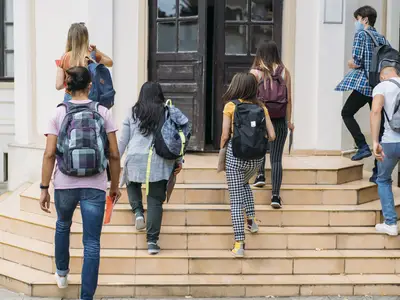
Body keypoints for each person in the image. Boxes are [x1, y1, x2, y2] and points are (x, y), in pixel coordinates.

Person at [40, 66, 121, 300]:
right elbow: (114, 154)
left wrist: (44, 188)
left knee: (63, 225)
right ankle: (86, 297)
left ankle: (62, 274)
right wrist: (113, 186)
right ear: (90, 86)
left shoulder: (58, 113)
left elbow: (48, 154)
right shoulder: (103, 112)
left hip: (64, 183)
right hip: (94, 184)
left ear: (67, 86)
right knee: (92, 243)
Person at [118, 82, 182, 255]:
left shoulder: (133, 112)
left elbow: (123, 141)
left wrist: (114, 161)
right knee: (155, 199)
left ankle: (138, 212)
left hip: (135, 156)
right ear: (160, 94)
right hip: (159, 160)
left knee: (132, 182)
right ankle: (152, 242)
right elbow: (177, 138)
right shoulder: (168, 111)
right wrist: (179, 160)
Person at [220, 73, 276, 257]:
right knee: (245, 184)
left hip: (236, 157)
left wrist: (223, 150)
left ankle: (239, 243)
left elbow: (225, 135)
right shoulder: (261, 107)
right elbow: (273, 135)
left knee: (235, 200)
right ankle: (251, 220)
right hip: (256, 159)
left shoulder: (230, 106)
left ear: (236, 87)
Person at [336, 5, 386, 183]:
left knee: (346, 112)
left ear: (364, 19)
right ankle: (377, 171)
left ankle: (362, 145)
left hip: (364, 84)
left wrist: (352, 63)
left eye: (357, 19)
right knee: (379, 127)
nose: (356, 23)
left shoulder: (361, 34)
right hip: (379, 86)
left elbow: (357, 60)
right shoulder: (381, 37)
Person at [250, 41, 294, 209]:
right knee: (276, 159)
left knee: (260, 147)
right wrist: (289, 121)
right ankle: (275, 196)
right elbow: (289, 100)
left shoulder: (255, 72)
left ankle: (260, 175)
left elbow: (250, 97)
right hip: (279, 119)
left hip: (260, 118)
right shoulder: (285, 73)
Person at [370, 64, 400, 236]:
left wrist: (375, 141)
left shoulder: (382, 86)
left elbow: (375, 111)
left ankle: (390, 223)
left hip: (390, 141)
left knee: (383, 180)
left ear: (383, 76)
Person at [56, 22, 113, 102]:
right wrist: (97, 51)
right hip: (89, 99)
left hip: (70, 99)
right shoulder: (91, 56)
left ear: (70, 39)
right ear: (85, 38)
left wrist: (71, 82)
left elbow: (58, 85)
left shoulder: (64, 58)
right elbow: (110, 62)